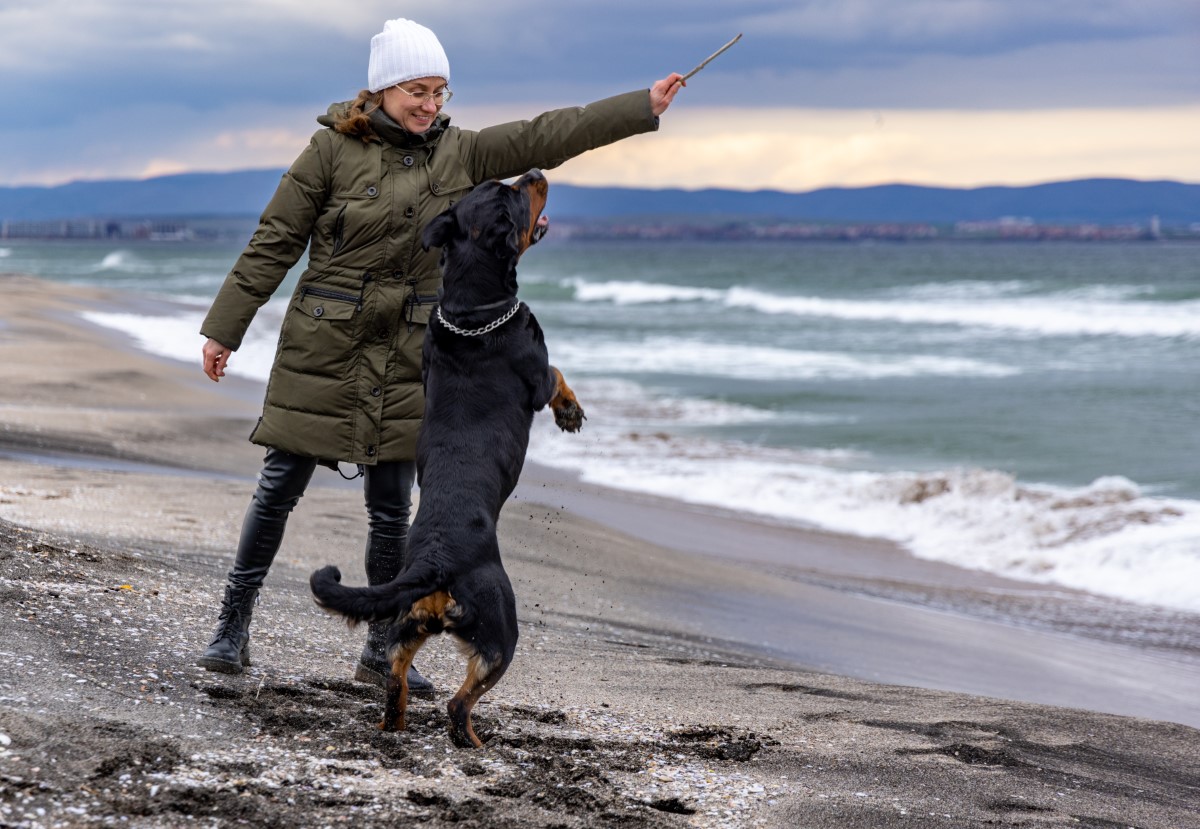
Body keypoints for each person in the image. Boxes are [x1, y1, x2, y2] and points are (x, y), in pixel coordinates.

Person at [195, 17, 685, 692]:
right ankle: (231, 626)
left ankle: (380, 651)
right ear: (383, 89)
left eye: (441, 92)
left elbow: (549, 135)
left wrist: (641, 105)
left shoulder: (463, 153)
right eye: (418, 91)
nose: (431, 105)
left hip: (413, 352)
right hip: (325, 345)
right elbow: (274, 241)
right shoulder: (328, 152)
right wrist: (225, 328)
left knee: (393, 504)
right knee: (279, 484)